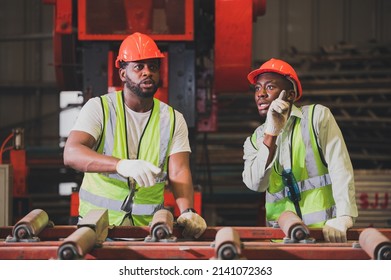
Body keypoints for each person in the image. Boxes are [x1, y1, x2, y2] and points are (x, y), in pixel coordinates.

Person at [63, 32, 207, 239]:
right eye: (138, 67)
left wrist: (187, 212)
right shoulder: (100, 108)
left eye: (153, 67)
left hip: (149, 230)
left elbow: (179, 171)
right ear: (123, 74)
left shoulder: (173, 119)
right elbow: (72, 153)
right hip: (98, 228)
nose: (147, 72)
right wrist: (120, 164)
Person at [242, 58, 358, 243]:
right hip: (282, 240)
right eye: (257, 88)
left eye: (270, 87)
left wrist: (344, 215)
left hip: (325, 235)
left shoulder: (316, 118)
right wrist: (271, 133)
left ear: (289, 95)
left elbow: (340, 167)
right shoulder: (256, 139)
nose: (261, 94)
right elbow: (256, 184)